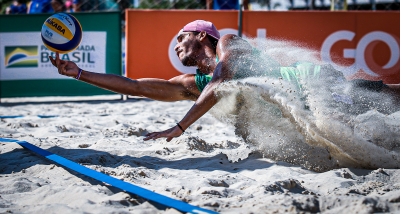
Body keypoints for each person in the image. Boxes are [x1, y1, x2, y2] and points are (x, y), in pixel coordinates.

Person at [49, 20, 400, 142]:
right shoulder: (194, 84)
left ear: (202, 36)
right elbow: (137, 85)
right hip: (306, 110)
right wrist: (79, 73)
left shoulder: (229, 43)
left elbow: (223, 76)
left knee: (383, 98)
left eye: (180, 38)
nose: (175, 45)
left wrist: (180, 126)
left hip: (312, 84)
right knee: (373, 125)